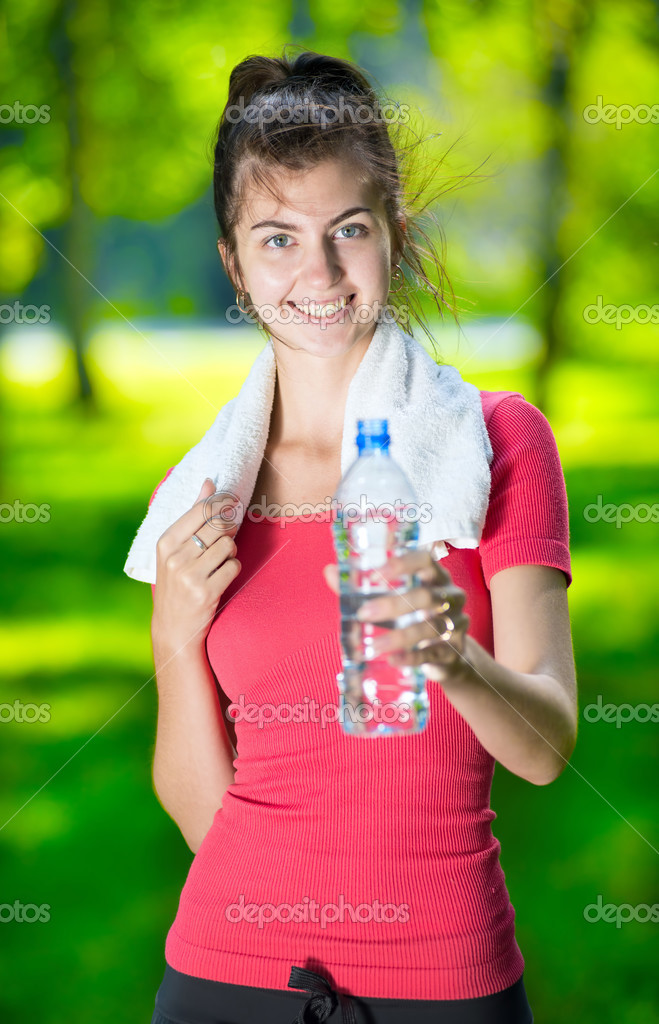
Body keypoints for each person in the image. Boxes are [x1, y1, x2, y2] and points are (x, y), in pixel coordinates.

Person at [137, 45, 577, 1024]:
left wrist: (450, 658)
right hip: (224, 977)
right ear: (232, 262)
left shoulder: (496, 442)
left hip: (442, 981)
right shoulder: (203, 497)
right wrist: (174, 635)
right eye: (277, 238)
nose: (319, 272)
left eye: (347, 229)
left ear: (391, 231)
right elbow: (206, 816)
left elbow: (545, 744)